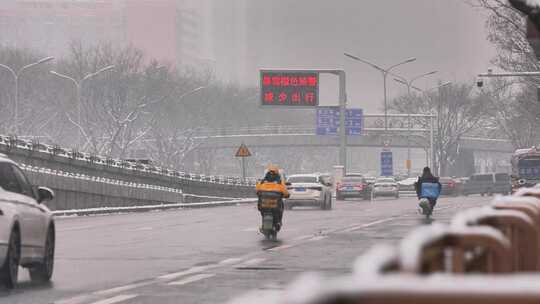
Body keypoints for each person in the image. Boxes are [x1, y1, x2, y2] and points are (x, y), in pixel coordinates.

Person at [256, 166, 289, 231]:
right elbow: (285, 192)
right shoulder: (279, 182)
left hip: (263, 205)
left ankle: (263, 224)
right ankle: (278, 222)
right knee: (280, 210)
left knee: (262, 212)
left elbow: (257, 190)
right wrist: (287, 195)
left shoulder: (262, 182)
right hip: (275, 206)